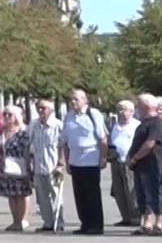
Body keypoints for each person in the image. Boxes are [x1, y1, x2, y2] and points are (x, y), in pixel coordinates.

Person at [62, 90, 108, 235]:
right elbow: (65, 141)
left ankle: (96, 225)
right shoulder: (68, 117)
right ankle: (85, 223)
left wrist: (103, 157)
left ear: (84, 100)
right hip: (75, 160)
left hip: (91, 160)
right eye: (71, 99)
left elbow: (103, 138)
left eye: (76, 99)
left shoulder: (93, 114)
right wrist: (67, 161)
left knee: (92, 195)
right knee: (80, 195)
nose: (73, 102)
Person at [128, 93, 162, 235]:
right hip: (141, 165)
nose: (137, 108)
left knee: (154, 192)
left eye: (138, 105)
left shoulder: (156, 123)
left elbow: (150, 143)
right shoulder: (143, 123)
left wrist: (135, 158)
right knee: (143, 194)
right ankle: (147, 223)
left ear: (145, 106)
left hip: (152, 163)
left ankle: (158, 223)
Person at [28, 99, 66, 232]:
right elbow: (28, 144)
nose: (40, 111)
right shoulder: (34, 125)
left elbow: (63, 146)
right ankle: (48, 222)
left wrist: (61, 164)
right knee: (42, 197)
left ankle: (58, 222)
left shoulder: (58, 125)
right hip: (39, 167)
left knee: (56, 196)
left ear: (51, 110)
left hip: (53, 167)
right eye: (39, 108)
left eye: (43, 108)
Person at [0, 106, 34, 230]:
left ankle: (21, 221)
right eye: (5, 114)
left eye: (10, 115)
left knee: (20, 195)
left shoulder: (23, 131)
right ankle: (15, 221)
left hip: (19, 167)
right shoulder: (2, 132)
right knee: (11, 195)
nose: (7, 117)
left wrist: (29, 168)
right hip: (5, 167)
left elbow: (27, 150)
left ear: (16, 117)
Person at [108, 99, 141, 228]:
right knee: (118, 190)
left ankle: (136, 217)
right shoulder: (115, 126)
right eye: (119, 109)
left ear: (132, 111)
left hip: (130, 161)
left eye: (124, 109)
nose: (121, 112)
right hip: (116, 161)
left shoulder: (137, 125)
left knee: (131, 189)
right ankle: (125, 217)